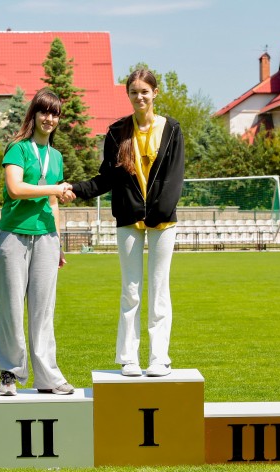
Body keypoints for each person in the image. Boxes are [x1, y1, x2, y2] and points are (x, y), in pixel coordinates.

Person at [63, 69, 185, 377]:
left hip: (163, 223)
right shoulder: (117, 132)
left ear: (155, 93)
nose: (140, 96)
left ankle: (160, 358)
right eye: (134, 92)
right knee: (130, 291)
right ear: (128, 95)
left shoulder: (171, 129)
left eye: (145, 91)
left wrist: (158, 211)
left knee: (159, 290)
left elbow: (174, 177)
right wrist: (75, 189)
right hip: (128, 221)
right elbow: (107, 177)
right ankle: (129, 358)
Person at [0, 88, 75, 395]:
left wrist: (58, 243)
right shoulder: (17, 148)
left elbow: (53, 204)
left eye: (55, 113)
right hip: (13, 236)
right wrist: (53, 189)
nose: (49, 118)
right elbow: (15, 188)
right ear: (34, 114)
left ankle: (47, 376)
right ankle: (9, 374)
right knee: (12, 308)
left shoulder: (56, 157)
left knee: (43, 311)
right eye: (44, 111)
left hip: (46, 239)